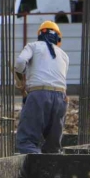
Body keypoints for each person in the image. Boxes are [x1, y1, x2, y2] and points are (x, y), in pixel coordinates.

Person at [14, 20, 69, 154]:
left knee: (27, 141)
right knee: (52, 146)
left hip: (39, 95)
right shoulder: (64, 55)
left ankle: (33, 172)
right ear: (58, 38)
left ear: (40, 34)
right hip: (61, 98)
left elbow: (20, 62)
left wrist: (21, 76)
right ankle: (51, 173)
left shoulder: (33, 46)